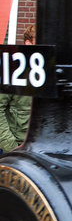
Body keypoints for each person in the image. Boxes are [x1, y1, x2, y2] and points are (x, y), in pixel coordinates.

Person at [0, 25, 34, 154]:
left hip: (38, 146)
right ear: (28, 43)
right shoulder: (12, 71)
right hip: (16, 145)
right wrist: (10, 146)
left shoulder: (49, 71)